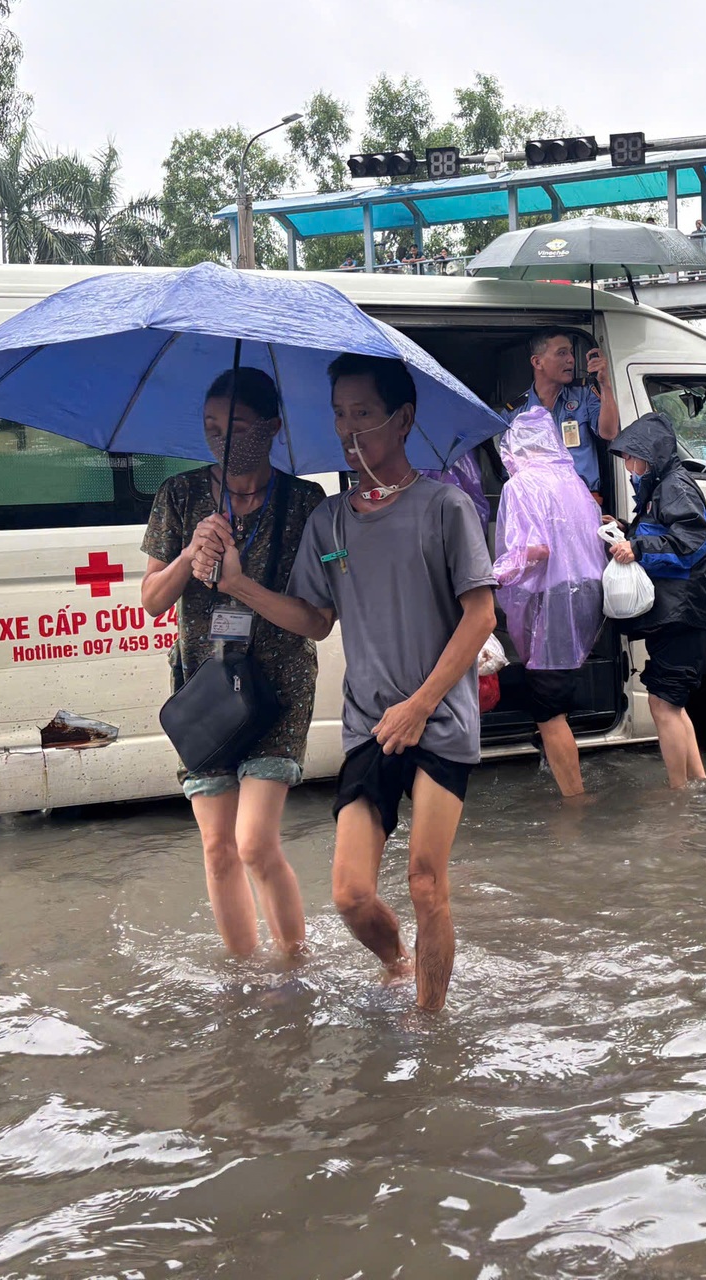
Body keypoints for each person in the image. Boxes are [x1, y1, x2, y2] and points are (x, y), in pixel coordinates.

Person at [214, 353, 497, 1012]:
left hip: (440, 721)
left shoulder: (446, 508)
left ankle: (431, 1026)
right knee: (348, 894)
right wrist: (239, 586)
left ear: (403, 420)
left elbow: (481, 616)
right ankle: (397, 964)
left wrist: (420, 705)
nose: (349, 430)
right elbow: (315, 621)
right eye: (340, 414)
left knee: (425, 882)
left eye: (363, 414)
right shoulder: (331, 521)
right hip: (370, 725)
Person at [141, 368, 322, 959]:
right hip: (206, 687)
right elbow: (152, 600)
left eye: (239, 428)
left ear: (272, 427)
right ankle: (244, 978)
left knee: (253, 843)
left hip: (278, 686)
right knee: (218, 848)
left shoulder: (305, 504)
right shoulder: (179, 496)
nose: (223, 439)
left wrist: (239, 585)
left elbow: (317, 622)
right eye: (212, 427)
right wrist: (189, 552)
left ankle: (292, 967)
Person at [492, 406, 607, 797]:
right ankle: (559, 774)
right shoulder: (573, 481)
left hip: (551, 602)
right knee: (560, 690)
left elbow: (535, 551)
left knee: (549, 710)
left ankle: (575, 802)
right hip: (585, 596)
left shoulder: (521, 486)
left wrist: (493, 574)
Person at [606, 412, 706, 788]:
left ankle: (679, 795)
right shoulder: (662, 487)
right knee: (672, 703)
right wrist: (625, 530)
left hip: (683, 612)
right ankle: (697, 786)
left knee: (662, 704)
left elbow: (696, 541)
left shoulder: (674, 485)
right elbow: (669, 534)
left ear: (650, 455)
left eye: (631, 457)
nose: (628, 466)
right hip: (679, 612)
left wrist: (637, 547)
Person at [503, 329, 622, 496]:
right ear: (537, 362)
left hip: (582, 499)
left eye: (571, 352)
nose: (571, 359)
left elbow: (609, 433)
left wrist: (605, 384)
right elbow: (508, 471)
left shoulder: (584, 394)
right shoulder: (515, 413)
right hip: (537, 501)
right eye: (562, 353)